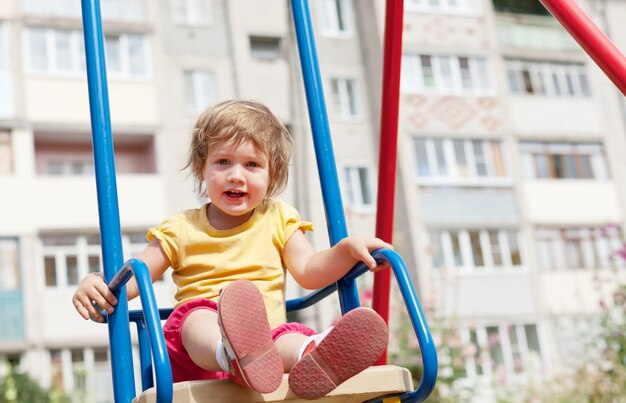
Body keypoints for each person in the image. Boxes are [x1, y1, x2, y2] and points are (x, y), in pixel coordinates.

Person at [72, 99, 392, 399]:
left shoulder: (278, 218)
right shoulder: (181, 228)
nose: (236, 176)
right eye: (223, 162)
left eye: (252, 164)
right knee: (196, 316)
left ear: (272, 175)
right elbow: (134, 277)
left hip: (264, 350)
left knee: (284, 336)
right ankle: (229, 354)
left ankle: (311, 352)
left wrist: (346, 250)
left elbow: (309, 270)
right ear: (202, 169)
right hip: (201, 356)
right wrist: (99, 283)